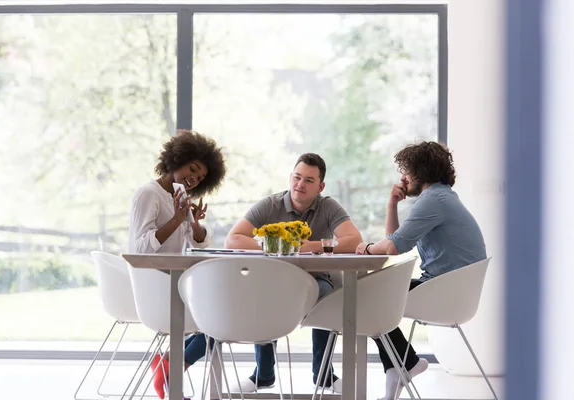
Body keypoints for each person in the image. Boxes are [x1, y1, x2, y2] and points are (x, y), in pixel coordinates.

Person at [355, 141, 487, 400]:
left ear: (420, 172)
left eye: (406, 171)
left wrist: (366, 248)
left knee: (365, 298)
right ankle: (401, 368)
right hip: (451, 289)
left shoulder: (433, 200)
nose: (403, 178)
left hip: (444, 291)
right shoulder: (441, 197)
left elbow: (392, 247)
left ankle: (407, 363)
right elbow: (395, 241)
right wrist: (392, 204)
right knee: (371, 296)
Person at [225, 153, 363, 393]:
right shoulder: (270, 204)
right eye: (297, 177)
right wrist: (275, 244)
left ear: (320, 187)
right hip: (275, 282)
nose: (300, 184)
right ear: (290, 178)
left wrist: (312, 246)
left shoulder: (328, 206)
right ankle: (263, 374)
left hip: (318, 281)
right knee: (262, 296)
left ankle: (324, 375)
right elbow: (233, 239)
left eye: (309, 181)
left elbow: (354, 240)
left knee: (327, 297)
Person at [128, 129, 226, 399]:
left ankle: (171, 364)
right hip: (157, 289)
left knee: (226, 311)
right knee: (223, 317)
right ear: (176, 159)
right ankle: (173, 366)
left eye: (200, 177)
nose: (193, 178)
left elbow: (200, 245)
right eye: (192, 169)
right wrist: (176, 218)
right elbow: (141, 248)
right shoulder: (149, 193)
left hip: (177, 284)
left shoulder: (179, 198)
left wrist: (191, 220)